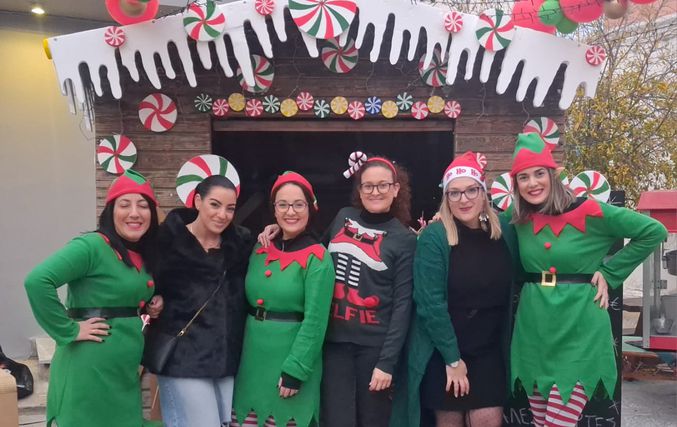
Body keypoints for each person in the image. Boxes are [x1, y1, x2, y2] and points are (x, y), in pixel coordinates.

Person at [508, 133, 668, 427]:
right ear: (516, 184)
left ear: (553, 174)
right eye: (523, 177)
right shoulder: (517, 217)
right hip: (533, 331)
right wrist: (443, 224)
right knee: (540, 422)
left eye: (539, 173)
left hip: (579, 327)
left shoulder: (591, 210)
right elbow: (482, 225)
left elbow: (653, 231)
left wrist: (610, 272)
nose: (532, 183)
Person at [24, 170, 163, 427]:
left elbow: (123, 294)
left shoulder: (142, 254)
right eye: (125, 204)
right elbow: (37, 281)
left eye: (143, 205)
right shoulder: (91, 246)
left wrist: (151, 303)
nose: (134, 213)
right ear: (111, 211)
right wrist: (68, 329)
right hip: (87, 369)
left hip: (124, 372)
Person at [391, 152, 520, 427]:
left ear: (483, 193)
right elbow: (430, 303)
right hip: (444, 348)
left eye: (471, 190)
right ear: (446, 198)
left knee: (488, 419)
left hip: (488, 351)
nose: (464, 199)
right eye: (455, 193)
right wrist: (452, 359)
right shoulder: (435, 237)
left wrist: (598, 270)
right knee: (449, 421)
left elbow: (542, 252)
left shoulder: (505, 233)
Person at [149, 173, 253, 427]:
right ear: (197, 201)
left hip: (226, 358)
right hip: (182, 357)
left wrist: (274, 230)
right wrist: (151, 299)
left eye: (230, 208)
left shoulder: (240, 244)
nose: (222, 215)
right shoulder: (166, 241)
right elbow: (140, 282)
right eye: (215, 204)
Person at [232, 171, 335, 427]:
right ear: (274, 210)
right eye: (283, 205)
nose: (291, 212)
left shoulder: (318, 258)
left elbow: (316, 321)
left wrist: (296, 369)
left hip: (289, 361)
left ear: (310, 208)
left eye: (298, 204)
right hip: (251, 360)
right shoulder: (260, 247)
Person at [321, 154, 416, 427]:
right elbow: (313, 253)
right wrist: (278, 231)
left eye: (383, 185)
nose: (375, 192)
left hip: (375, 349)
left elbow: (402, 305)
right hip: (334, 343)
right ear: (359, 190)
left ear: (395, 189)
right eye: (368, 186)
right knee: (335, 421)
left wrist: (387, 362)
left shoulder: (405, 239)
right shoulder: (343, 217)